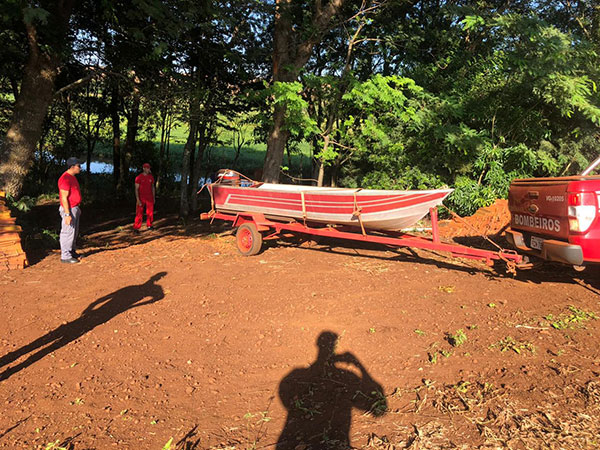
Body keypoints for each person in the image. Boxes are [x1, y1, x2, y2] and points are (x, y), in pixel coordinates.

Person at [58, 157, 83, 264]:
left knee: (74, 231)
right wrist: (67, 214)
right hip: (69, 209)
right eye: (79, 166)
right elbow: (64, 198)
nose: (80, 168)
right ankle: (65, 256)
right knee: (67, 232)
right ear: (72, 167)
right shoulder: (65, 179)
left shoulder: (72, 177)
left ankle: (71, 251)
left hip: (75, 208)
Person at [133, 163, 155, 232]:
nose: (148, 169)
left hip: (149, 197)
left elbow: (152, 187)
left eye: (149, 168)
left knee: (150, 212)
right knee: (139, 213)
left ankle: (149, 225)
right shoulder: (139, 177)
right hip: (141, 197)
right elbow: (136, 189)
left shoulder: (151, 177)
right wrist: (138, 199)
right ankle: (136, 227)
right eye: (147, 168)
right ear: (144, 168)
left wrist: (154, 197)